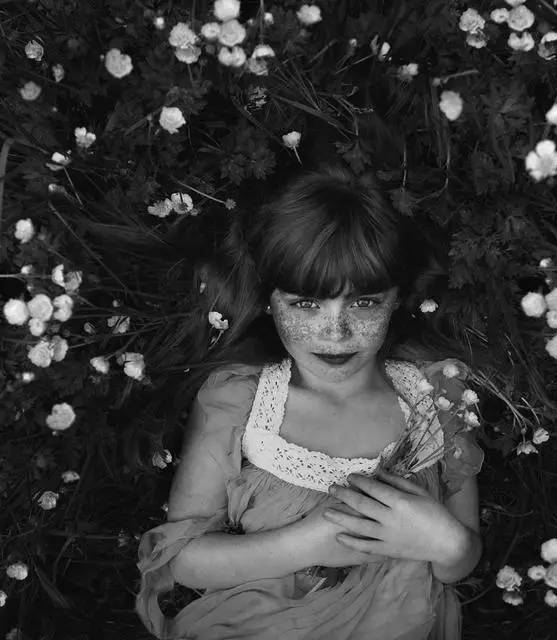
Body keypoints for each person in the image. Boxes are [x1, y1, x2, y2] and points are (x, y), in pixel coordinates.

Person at [134, 162, 485, 639]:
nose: (335, 331)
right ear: (268, 300)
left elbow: (460, 560)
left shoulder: (438, 397)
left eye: (364, 303)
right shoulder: (240, 400)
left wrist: (447, 544)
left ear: (398, 298)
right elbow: (181, 560)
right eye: (305, 304)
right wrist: (308, 544)